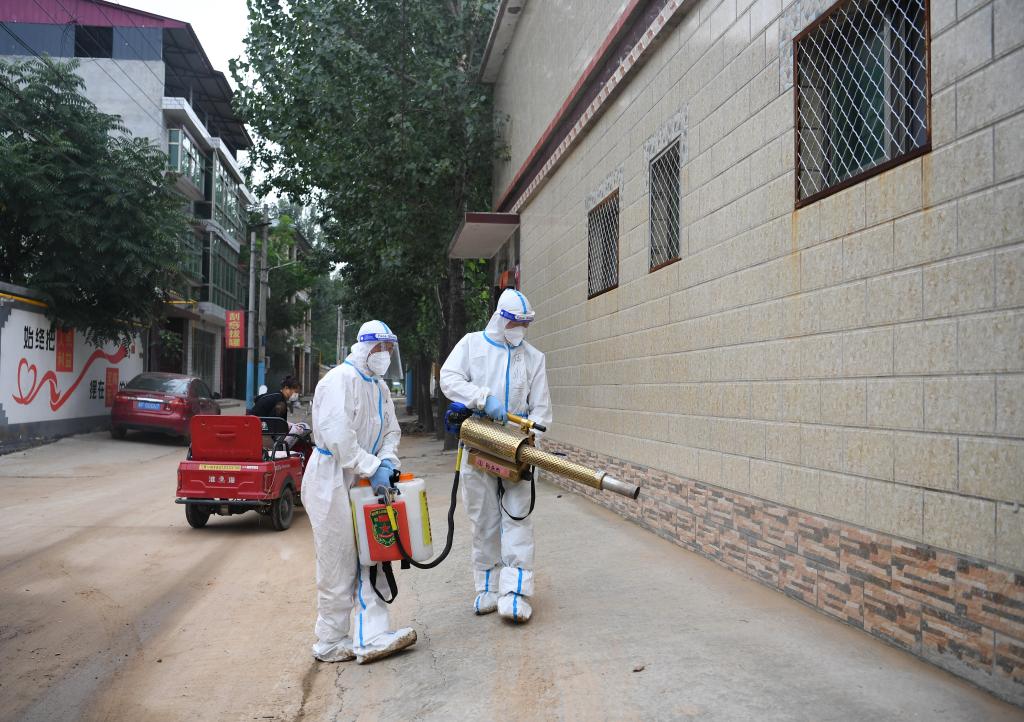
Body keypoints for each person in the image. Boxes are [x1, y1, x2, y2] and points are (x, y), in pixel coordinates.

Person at [301, 320, 417, 663]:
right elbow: (339, 439)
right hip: (332, 480)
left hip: (366, 482)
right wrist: (371, 465)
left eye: (390, 349)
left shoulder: (379, 387)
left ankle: (372, 636)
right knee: (338, 562)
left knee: (374, 556)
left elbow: (391, 431)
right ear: (365, 347)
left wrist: (387, 461)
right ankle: (331, 641)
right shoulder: (339, 380)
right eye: (381, 348)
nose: (386, 355)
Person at [440, 289, 552, 623]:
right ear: (501, 319)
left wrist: (530, 444)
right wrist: (481, 398)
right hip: (478, 440)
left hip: (517, 448)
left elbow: (542, 411)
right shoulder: (472, 345)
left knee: (517, 516)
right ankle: (487, 586)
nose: (521, 330)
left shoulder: (534, 358)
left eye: (525, 324)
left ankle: (515, 591)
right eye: (516, 323)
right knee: (484, 518)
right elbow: (449, 378)